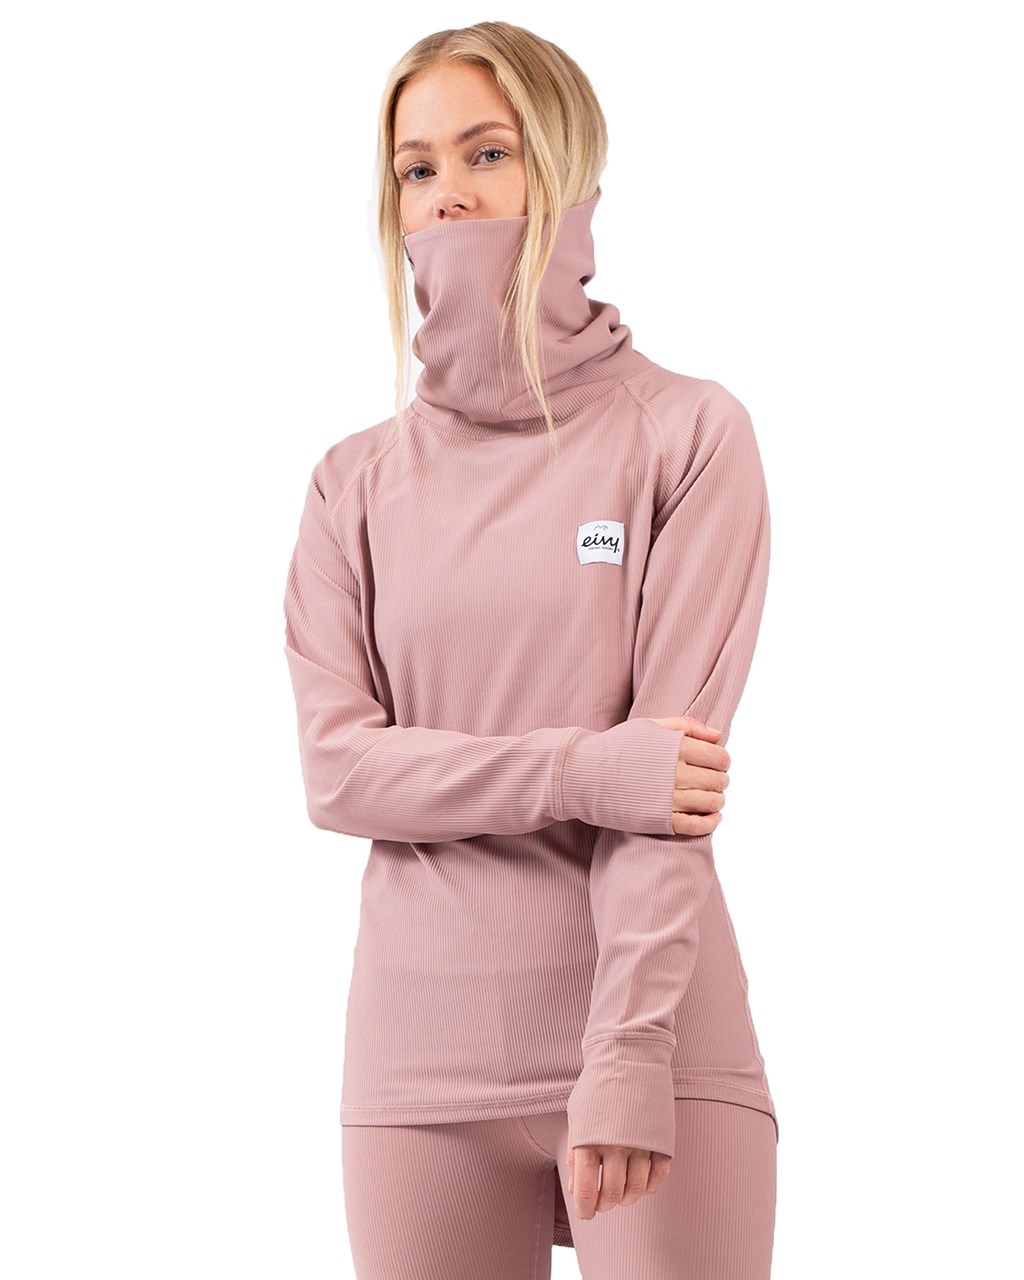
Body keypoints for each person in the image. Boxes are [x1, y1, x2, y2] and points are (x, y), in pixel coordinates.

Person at [282, 20, 778, 1280]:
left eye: (487, 153)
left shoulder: (686, 433)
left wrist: (630, 1046)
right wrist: (580, 767)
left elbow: (671, 783)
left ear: (566, 174)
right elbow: (341, 772)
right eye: (416, 168)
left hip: (651, 1037)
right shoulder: (351, 484)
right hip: (416, 1062)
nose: (447, 193)